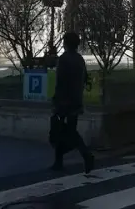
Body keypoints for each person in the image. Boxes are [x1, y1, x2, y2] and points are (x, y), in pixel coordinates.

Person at [51, 31, 94, 173]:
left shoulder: (63, 59)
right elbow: (85, 78)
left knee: (62, 130)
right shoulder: (80, 59)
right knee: (69, 130)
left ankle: (85, 155)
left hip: (64, 100)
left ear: (66, 44)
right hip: (76, 99)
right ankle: (61, 160)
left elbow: (60, 81)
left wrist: (56, 100)